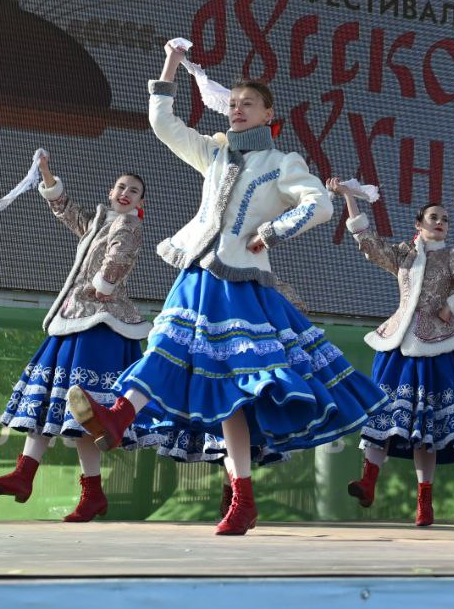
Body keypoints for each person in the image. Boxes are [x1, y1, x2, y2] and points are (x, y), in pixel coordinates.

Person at [67, 39, 386, 536]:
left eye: (248, 104)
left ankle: (236, 495)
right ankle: (121, 418)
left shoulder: (282, 163)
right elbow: (163, 124)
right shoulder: (215, 153)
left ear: (267, 114)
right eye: (232, 103)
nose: (237, 110)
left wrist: (271, 231)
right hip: (197, 269)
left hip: (238, 282)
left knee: (236, 394)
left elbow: (320, 206)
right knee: (170, 349)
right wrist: (171, 65)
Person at [0, 153, 150, 522]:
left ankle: (82, 491)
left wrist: (100, 286)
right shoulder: (100, 221)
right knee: (61, 406)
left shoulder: (128, 226)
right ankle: (29, 476)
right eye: (121, 187)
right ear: (111, 190)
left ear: (140, 202)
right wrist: (44, 173)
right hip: (74, 319)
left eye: (133, 191)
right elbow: (65, 209)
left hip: (98, 324)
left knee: (82, 411)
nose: (125, 193)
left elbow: (117, 262)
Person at [333, 179, 454, 527]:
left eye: (445, 218)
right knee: (382, 416)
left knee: (427, 426)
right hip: (397, 344)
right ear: (418, 224)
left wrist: (453, 306)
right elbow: (368, 244)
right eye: (434, 217)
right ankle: (368, 482)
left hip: (436, 346)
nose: (440, 222)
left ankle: (424, 503)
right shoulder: (403, 254)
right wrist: (347, 198)